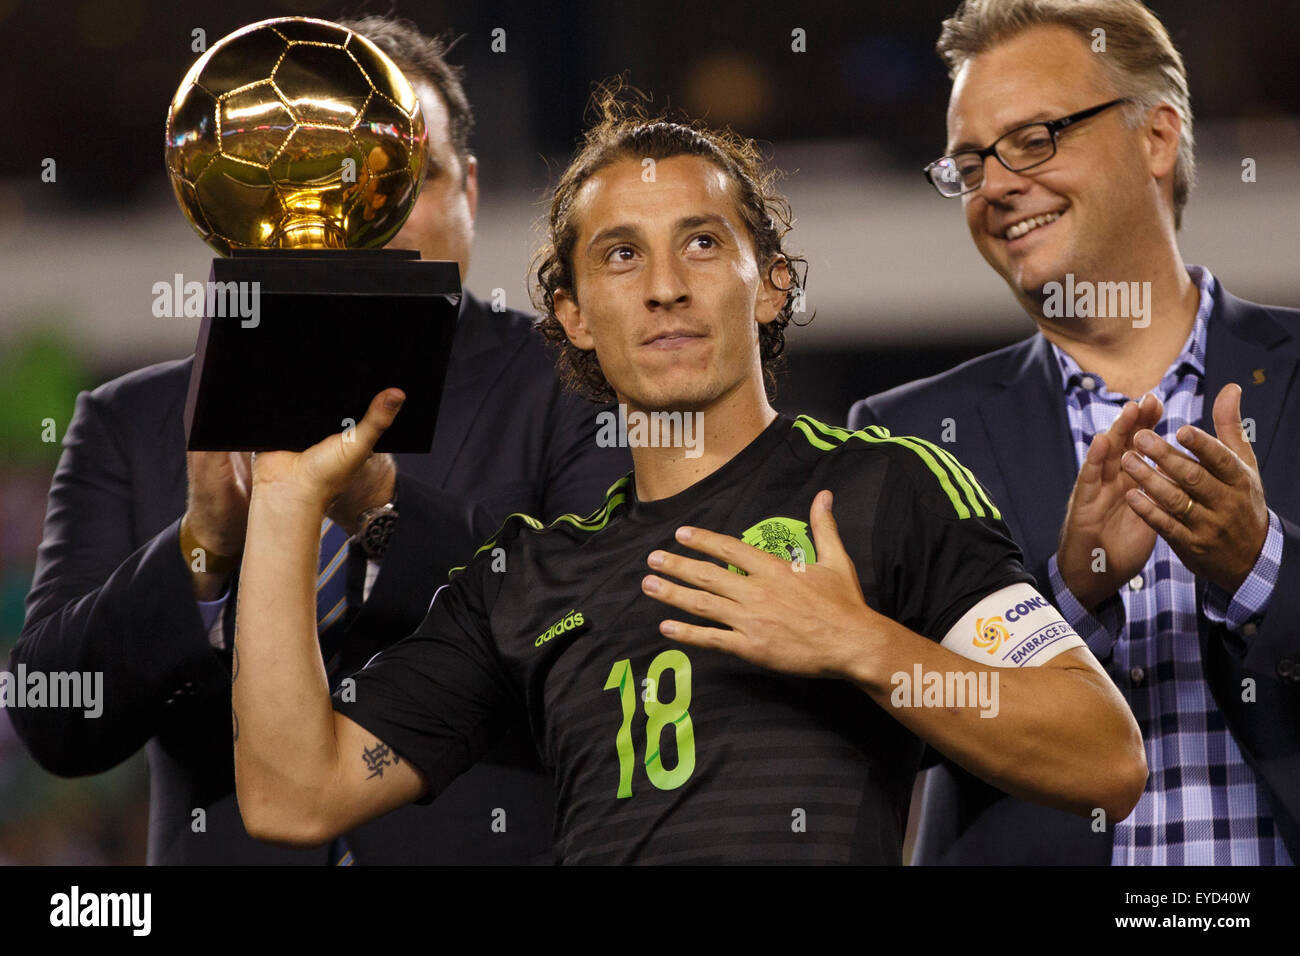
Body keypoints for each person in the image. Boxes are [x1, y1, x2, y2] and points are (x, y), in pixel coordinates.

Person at [229, 89, 1146, 864]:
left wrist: (856, 642)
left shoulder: (883, 488)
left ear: (773, 283)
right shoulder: (523, 580)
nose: (665, 285)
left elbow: (1103, 756)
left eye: (702, 243)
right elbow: (294, 796)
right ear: (574, 314)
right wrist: (284, 500)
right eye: (621, 254)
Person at [12, 16, 629, 865]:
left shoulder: (577, 381)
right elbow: (55, 717)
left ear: (471, 192)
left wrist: (383, 509)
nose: (360, 219)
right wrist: (203, 551)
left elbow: (604, 630)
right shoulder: (133, 420)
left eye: (401, 179)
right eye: (315, 179)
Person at [850, 0, 1300, 865]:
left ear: (1156, 138)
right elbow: (891, 731)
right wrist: (1069, 599)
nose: (998, 185)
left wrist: (1257, 567)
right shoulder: (906, 440)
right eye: (971, 163)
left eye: (1035, 139)